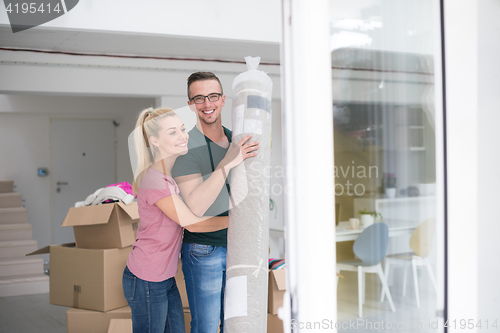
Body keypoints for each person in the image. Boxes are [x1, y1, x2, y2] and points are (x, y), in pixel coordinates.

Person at [123, 107, 242, 333]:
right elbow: (192, 223)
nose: (183, 136)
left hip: (164, 278)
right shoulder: (154, 180)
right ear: (155, 141)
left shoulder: (166, 176)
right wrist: (238, 221)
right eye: (173, 132)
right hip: (147, 279)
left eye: (183, 129)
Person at [172, 72, 260, 333]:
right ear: (190, 104)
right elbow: (196, 207)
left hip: (240, 249)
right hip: (204, 251)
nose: (206, 103)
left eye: (212, 96)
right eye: (198, 98)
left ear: (223, 100)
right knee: (207, 327)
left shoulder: (238, 139)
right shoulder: (186, 148)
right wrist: (228, 161)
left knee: (236, 325)